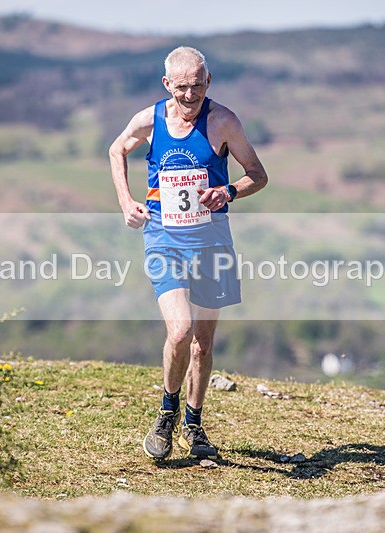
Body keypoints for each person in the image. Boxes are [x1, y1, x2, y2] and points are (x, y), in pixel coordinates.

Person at [109, 46, 268, 460]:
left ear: (208, 81)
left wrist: (229, 190)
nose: (190, 95)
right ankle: (167, 413)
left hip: (212, 240)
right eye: (182, 87)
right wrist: (127, 202)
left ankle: (194, 425)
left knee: (202, 343)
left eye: (198, 85)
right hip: (164, 237)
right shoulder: (150, 120)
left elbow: (258, 175)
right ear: (167, 85)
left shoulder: (224, 122)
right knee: (179, 331)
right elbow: (116, 151)